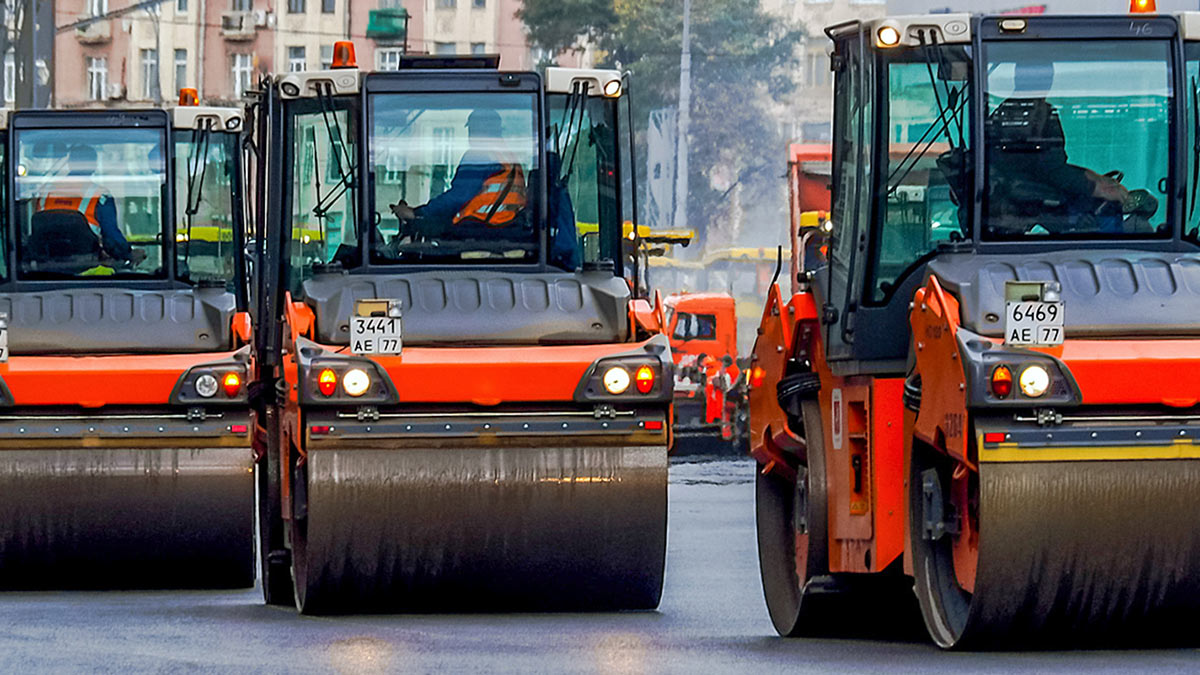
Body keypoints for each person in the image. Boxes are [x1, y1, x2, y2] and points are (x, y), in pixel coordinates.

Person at [987, 59, 1131, 233]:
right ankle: (1112, 253)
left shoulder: (1003, 112)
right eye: (1045, 78)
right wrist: (1096, 187)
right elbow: (1048, 169)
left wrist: (1093, 177)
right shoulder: (1038, 116)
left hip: (1026, 197)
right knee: (1109, 207)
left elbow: (1049, 164)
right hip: (1035, 203)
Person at [389, 109, 528, 239]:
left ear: (481, 131)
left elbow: (458, 197)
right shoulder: (508, 158)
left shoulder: (479, 155)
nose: (470, 134)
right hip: (508, 229)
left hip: (479, 228)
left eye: (473, 129)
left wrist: (418, 213)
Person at [36, 145, 134, 262]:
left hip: (45, 269)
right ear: (94, 165)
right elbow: (112, 238)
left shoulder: (45, 192)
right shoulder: (100, 196)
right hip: (86, 268)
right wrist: (129, 254)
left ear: (69, 164)